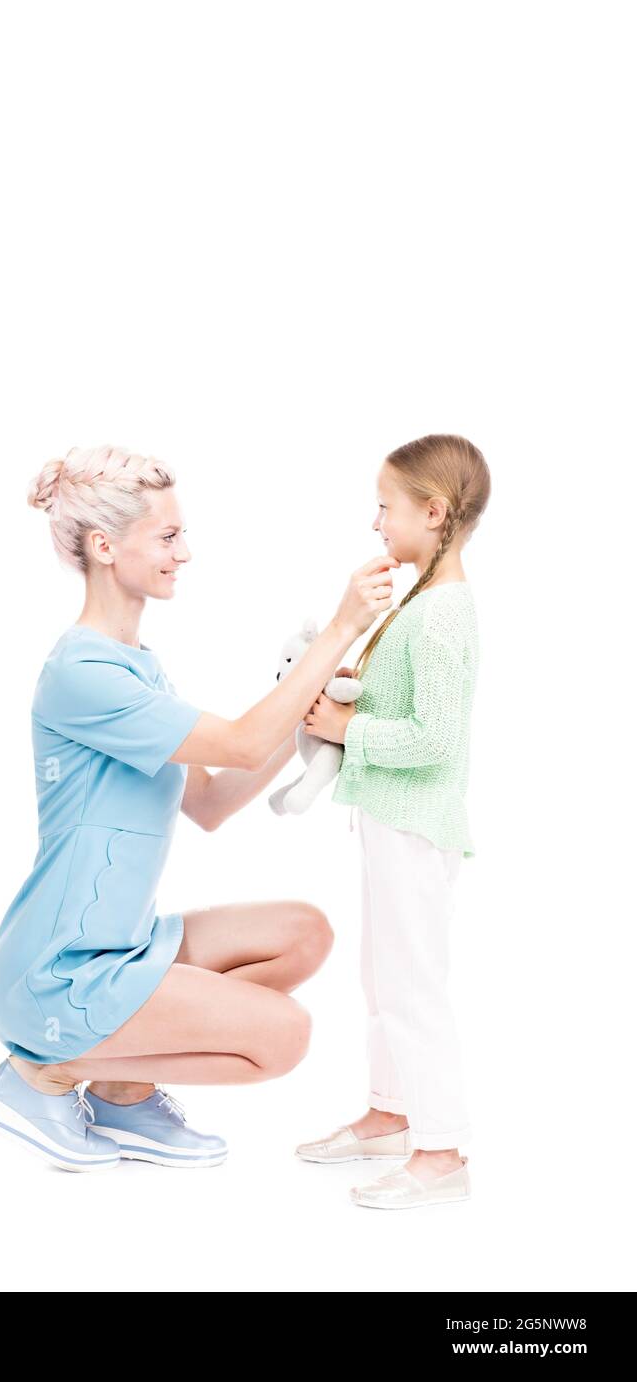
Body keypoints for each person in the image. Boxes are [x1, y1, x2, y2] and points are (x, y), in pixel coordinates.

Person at [0, 443, 397, 1172]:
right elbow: (237, 743)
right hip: (58, 973)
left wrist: (306, 701)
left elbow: (209, 800)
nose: (185, 553)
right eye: (168, 537)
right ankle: (41, 1072)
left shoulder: (138, 664)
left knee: (303, 934)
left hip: (120, 948)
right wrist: (337, 633)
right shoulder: (83, 671)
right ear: (106, 548)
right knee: (283, 1036)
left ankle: (123, 1090)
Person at [294, 434, 491, 1209]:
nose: (377, 523)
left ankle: (441, 1154)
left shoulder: (442, 613)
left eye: (387, 507)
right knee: (382, 976)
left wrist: (348, 731)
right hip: (387, 815)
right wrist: (348, 689)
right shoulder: (419, 599)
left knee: (413, 987)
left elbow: (436, 738)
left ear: (433, 512)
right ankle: (390, 1113)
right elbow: (407, 701)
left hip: (416, 824)